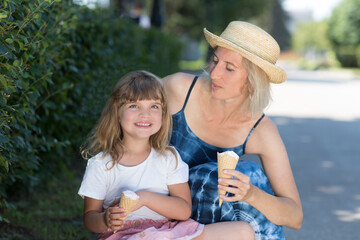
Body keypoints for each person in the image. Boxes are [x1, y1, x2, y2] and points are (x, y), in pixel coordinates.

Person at [163, 21, 303, 239]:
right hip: (156, 207)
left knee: (250, 176)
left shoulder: (260, 129)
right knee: (222, 175)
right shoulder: (178, 89)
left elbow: (294, 215)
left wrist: (252, 194)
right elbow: (124, 107)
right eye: (216, 61)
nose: (215, 73)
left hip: (204, 226)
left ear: (253, 80)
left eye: (229, 68)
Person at [78, 70, 204, 239]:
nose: (145, 114)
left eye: (154, 106)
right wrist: (104, 219)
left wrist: (144, 198)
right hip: (123, 235)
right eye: (134, 106)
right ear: (117, 113)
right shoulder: (101, 164)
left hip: (166, 233)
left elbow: (183, 210)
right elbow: (89, 218)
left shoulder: (169, 158)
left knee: (241, 231)